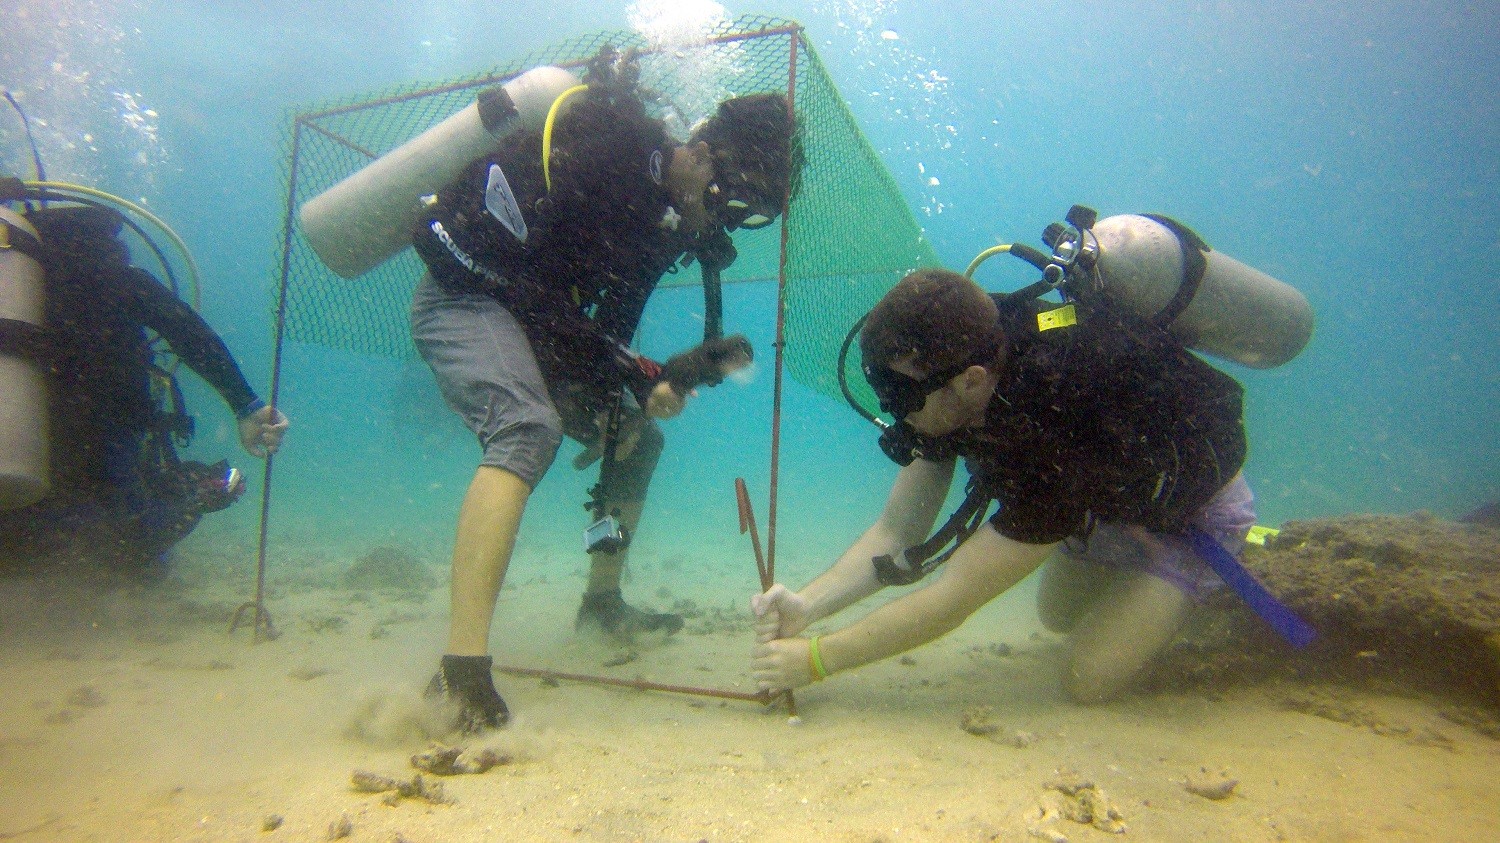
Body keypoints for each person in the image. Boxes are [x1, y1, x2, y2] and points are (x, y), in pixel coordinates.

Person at [410, 46, 801, 732]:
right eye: (729, 204)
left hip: (537, 320)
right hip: (464, 290)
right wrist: (631, 370)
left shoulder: (662, 225)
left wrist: (634, 389)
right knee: (527, 428)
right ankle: (459, 672)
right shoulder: (608, 147)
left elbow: (607, 325)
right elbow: (472, 257)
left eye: (744, 218)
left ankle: (602, 601)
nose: (723, 224)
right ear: (703, 153)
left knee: (638, 439)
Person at [750, 267, 1255, 704]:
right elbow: (896, 530)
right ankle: (1133, 591)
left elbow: (956, 596)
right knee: (1056, 617)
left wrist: (817, 659)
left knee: (1086, 682)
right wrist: (807, 605)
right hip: (1100, 508)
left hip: (1185, 517)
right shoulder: (952, 376)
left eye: (901, 394)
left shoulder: (1058, 433)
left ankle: (1198, 587)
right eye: (882, 387)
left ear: (970, 380)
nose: (892, 410)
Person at [0, 201, 289, 577]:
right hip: (98, 440)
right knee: (135, 554)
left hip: (27, 465)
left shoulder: (25, 284)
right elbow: (186, 331)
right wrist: (245, 405)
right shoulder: (113, 279)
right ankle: (190, 496)